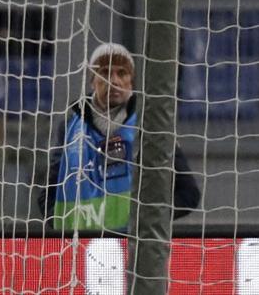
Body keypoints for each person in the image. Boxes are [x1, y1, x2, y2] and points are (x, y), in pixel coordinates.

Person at [39, 43, 200, 231]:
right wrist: (64, 226)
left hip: (134, 247)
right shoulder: (69, 127)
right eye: (105, 73)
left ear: (130, 81)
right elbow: (47, 196)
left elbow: (189, 194)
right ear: (92, 81)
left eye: (121, 73)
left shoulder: (151, 124)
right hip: (78, 246)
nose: (113, 81)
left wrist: (148, 218)